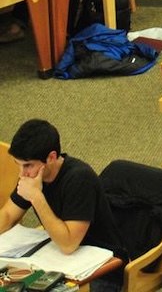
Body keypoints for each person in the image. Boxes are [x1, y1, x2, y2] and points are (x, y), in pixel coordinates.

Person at [0, 120, 127, 291]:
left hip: (102, 265)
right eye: (19, 165)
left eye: (28, 165)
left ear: (51, 157)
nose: (22, 174)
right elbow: (8, 215)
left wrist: (37, 197)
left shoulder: (80, 180)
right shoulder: (32, 175)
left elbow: (68, 244)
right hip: (58, 258)